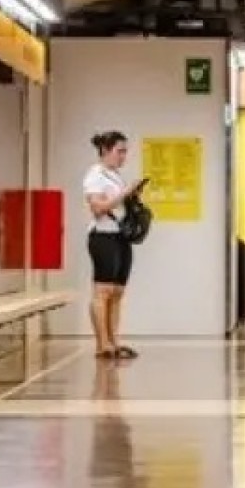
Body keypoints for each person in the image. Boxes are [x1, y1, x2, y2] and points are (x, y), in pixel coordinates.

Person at [84, 131, 143, 360]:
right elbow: (98, 208)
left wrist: (132, 194)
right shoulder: (95, 175)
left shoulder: (115, 176)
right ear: (105, 151)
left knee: (117, 292)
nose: (123, 156)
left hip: (120, 237)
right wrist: (124, 193)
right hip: (103, 236)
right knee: (103, 291)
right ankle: (102, 344)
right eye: (120, 151)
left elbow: (118, 205)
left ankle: (114, 340)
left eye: (125, 151)